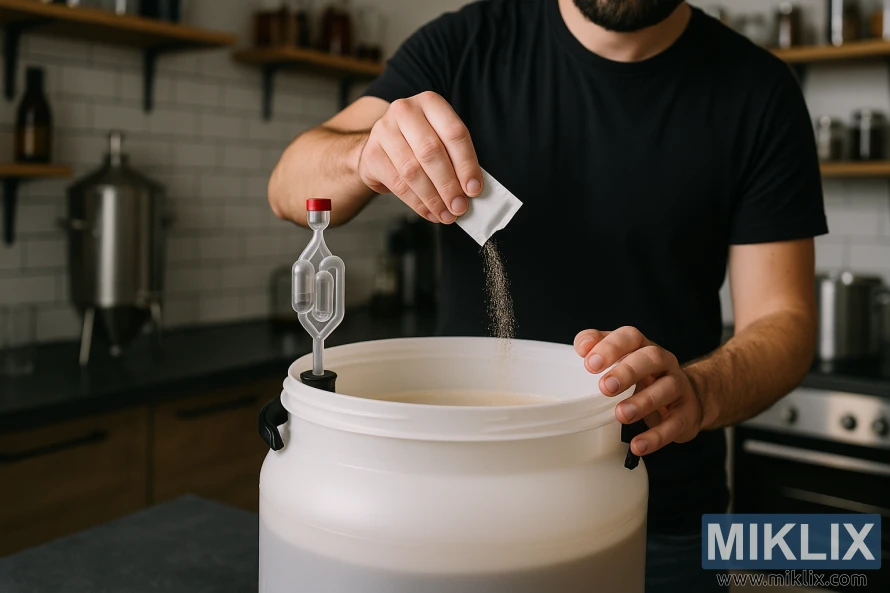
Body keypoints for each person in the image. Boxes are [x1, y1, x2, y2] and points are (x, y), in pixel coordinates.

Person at [267, 1, 828, 590]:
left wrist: (699, 390)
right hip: (448, 511)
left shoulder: (758, 90)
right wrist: (365, 155)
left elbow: (784, 321)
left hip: (658, 515)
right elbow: (288, 184)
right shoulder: (466, 44)